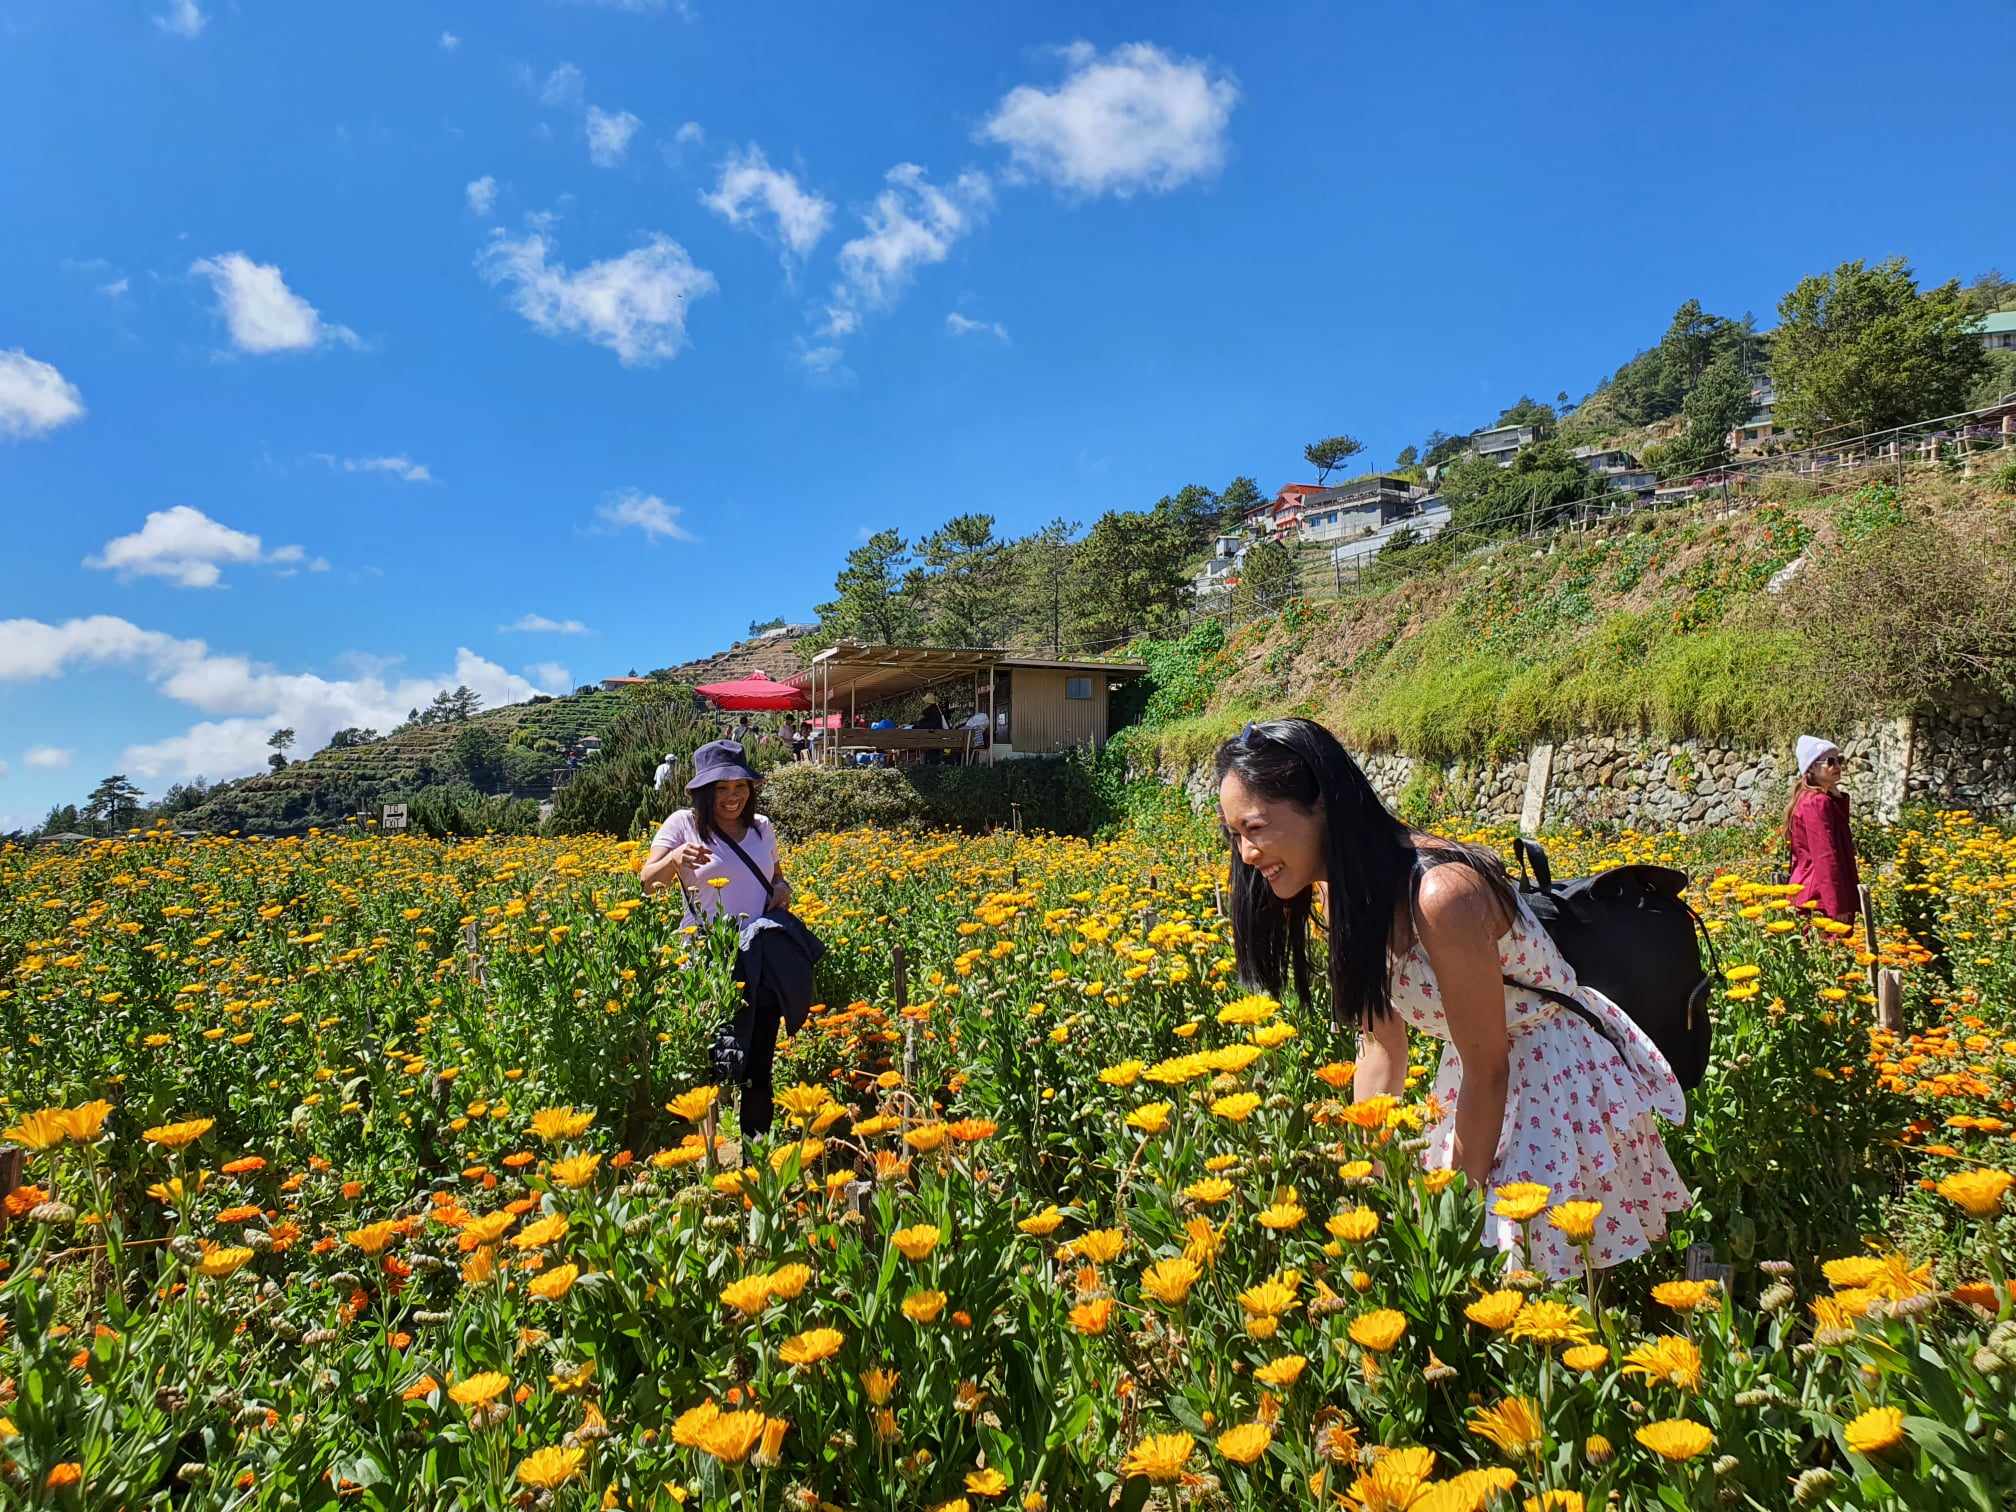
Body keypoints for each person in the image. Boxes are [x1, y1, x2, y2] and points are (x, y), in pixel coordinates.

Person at [1215, 718, 1686, 1279]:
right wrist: (1372, 1170)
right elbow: (1379, 1045)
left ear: (1320, 802)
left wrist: (1453, 1213)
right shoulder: (1346, 897)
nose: (1245, 853)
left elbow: (1491, 1065)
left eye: (1255, 828)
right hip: (1477, 1077)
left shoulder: (1442, 896)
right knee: (1473, 1261)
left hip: (1552, 1073)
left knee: (1532, 1272)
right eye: (1234, 835)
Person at [638, 740, 794, 1135]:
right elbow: (646, 882)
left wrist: (780, 888)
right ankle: (706, 1157)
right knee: (709, 1062)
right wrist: (672, 861)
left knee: (759, 1063)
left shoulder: (762, 828)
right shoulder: (683, 825)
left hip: (760, 958)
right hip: (705, 961)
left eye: (739, 786)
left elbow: (776, 875)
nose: (732, 797)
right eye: (721, 788)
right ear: (704, 792)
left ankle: (754, 1153)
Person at [1785, 735, 1860, 925]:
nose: (1837, 766)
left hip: (1815, 895)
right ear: (1811, 768)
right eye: (1829, 761)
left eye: (1839, 760)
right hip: (1819, 900)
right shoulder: (1817, 802)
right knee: (1829, 952)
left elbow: (1838, 830)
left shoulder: (1813, 799)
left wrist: (1836, 794)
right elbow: (1825, 855)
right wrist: (1837, 905)